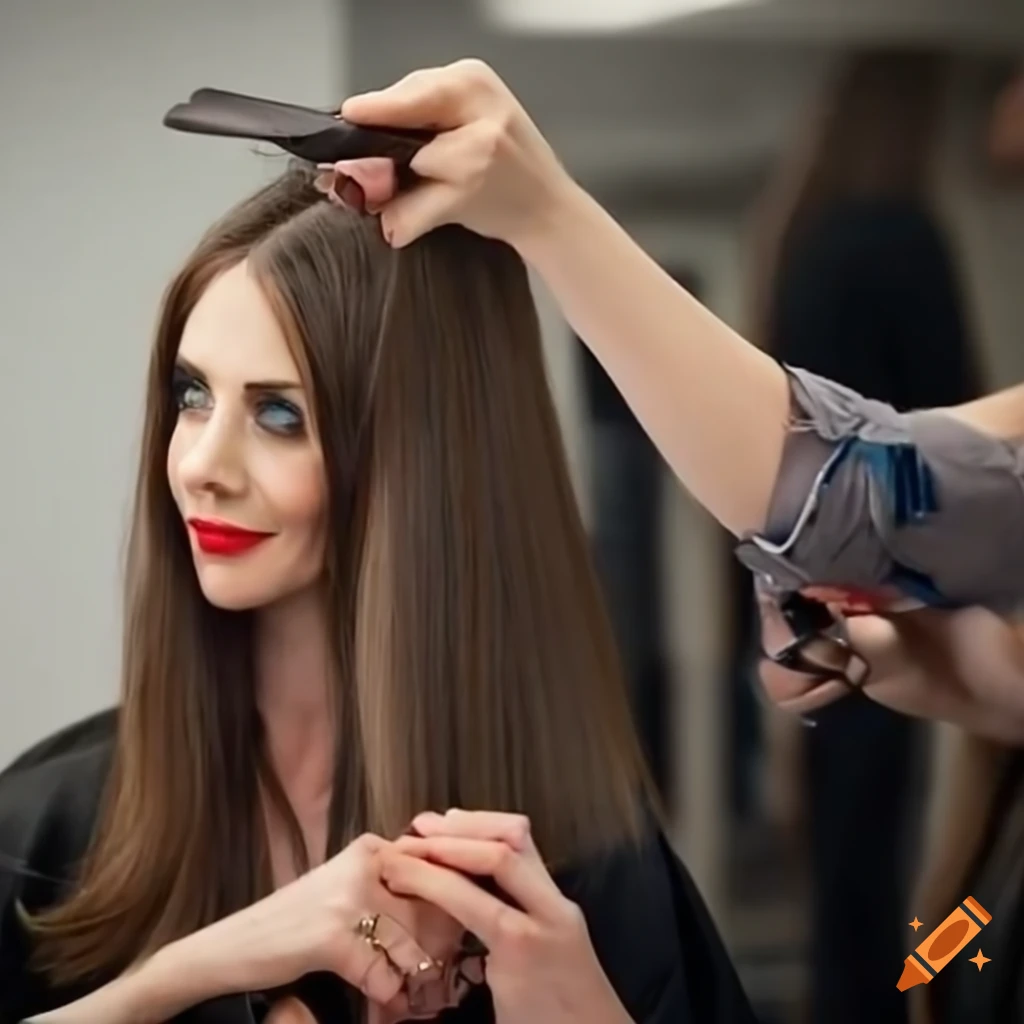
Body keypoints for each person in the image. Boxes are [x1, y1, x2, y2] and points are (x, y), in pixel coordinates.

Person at [0, 165, 756, 1023]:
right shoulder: (47, 829)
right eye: (193, 394)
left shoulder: (587, 866)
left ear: (413, 464)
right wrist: (183, 976)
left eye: (279, 415)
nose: (201, 466)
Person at [330, 58, 1024, 736]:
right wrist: (942, 669)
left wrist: (547, 212)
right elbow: (881, 475)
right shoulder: (876, 239)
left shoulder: (833, 234)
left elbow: (850, 486)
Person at [747, 48, 984, 1024]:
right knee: (919, 856)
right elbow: (951, 425)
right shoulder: (899, 237)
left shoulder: (799, 240)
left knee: (848, 853)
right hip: (894, 587)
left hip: (812, 587)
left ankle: (881, 995)